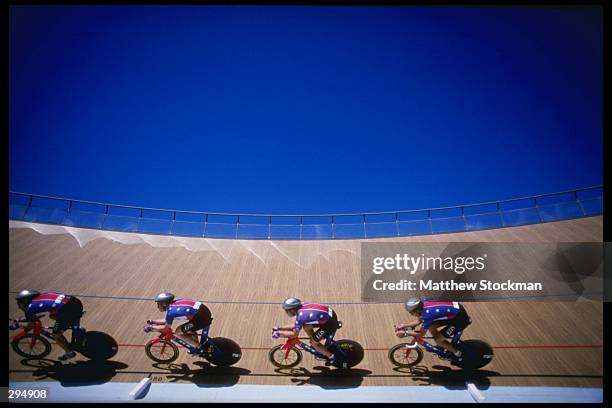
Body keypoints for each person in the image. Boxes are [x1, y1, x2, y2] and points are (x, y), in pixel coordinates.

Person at [10, 290, 84, 361]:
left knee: (55, 335)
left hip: (67, 311)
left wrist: (18, 325)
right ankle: (75, 328)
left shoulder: (30, 308)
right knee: (52, 315)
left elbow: (31, 324)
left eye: (20, 303)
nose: (20, 306)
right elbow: (39, 315)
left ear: (25, 301)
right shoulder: (43, 296)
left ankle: (70, 353)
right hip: (75, 302)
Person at [395, 298, 472, 361]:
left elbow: (421, 334)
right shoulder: (423, 304)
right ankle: (442, 345)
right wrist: (404, 326)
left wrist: (406, 332)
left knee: (438, 340)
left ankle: (457, 354)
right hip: (455, 310)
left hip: (459, 320)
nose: (411, 314)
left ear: (416, 311)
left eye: (411, 312)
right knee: (431, 326)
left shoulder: (427, 316)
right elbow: (419, 320)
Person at [272, 298, 339, 365]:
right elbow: (296, 325)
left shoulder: (301, 317)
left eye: (286, 311)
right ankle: (316, 342)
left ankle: (331, 357)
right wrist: (280, 328)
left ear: (292, 310)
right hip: (329, 315)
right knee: (306, 326)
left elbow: (294, 334)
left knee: (313, 342)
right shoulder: (302, 307)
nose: (286, 312)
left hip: (330, 323)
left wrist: (279, 333)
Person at [145, 292, 213, 351]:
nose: (158, 307)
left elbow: (166, 328)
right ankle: (195, 345)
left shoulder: (171, 312)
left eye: (158, 304)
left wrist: (152, 328)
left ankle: (200, 348)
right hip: (204, 311)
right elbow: (166, 320)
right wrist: (153, 321)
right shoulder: (175, 304)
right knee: (187, 329)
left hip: (200, 318)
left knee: (178, 332)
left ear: (164, 304)